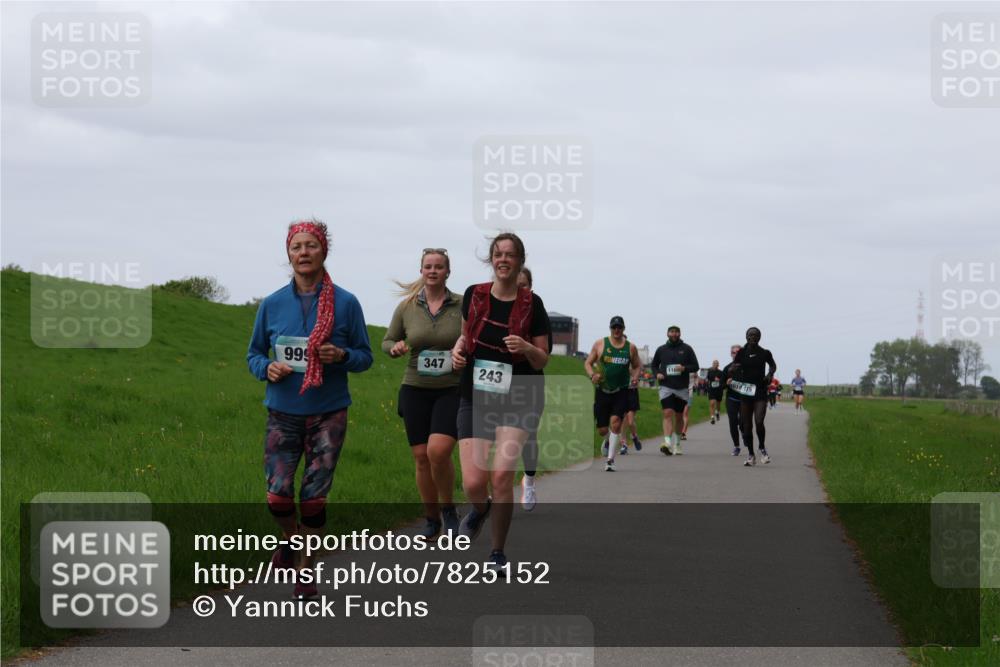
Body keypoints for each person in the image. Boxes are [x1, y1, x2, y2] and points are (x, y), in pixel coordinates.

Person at [247, 219, 373, 599]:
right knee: (278, 495)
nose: (303, 252)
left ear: (324, 251)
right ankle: (293, 539)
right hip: (282, 410)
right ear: (288, 253)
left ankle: (306, 569)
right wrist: (265, 368)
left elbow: (365, 357)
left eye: (310, 246)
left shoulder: (347, 303)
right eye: (296, 246)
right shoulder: (271, 304)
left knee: (314, 497)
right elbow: (254, 354)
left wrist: (342, 354)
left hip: (328, 412)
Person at [451, 233, 551, 569]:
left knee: (501, 476)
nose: (503, 260)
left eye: (509, 254)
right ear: (491, 259)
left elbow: (542, 359)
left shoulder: (531, 305)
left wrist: (526, 348)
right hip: (476, 395)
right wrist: (457, 352)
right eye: (497, 254)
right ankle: (480, 509)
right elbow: (465, 337)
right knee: (474, 483)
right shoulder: (474, 295)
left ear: (520, 260)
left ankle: (497, 552)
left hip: (519, 395)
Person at [382, 248, 463, 538]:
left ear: (447, 272)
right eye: (428, 266)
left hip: (451, 389)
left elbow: (474, 337)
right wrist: (394, 348)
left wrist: (463, 351)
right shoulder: (407, 307)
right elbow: (389, 339)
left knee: (438, 452)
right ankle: (431, 520)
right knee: (420, 457)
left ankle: (449, 509)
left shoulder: (462, 305)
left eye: (438, 267)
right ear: (421, 271)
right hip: (415, 387)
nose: (432, 271)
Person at [585, 317, 642, 471]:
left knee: (616, 422)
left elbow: (637, 366)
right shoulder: (600, 344)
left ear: (624, 329)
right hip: (603, 391)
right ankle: (608, 439)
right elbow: (588, 363)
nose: (617, 330)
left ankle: (610, 460)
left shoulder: (630, 348)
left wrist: (635, 378)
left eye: (619, 327)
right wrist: (592, 375)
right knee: (602, 429)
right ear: (610, 328)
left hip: (621, 391)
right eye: (614, 327)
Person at [516, 267, 551, 511]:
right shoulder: (491, 306)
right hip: (497, 382)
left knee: (528, 435)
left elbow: (543, 352)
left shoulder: (536, 308)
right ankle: (499, 490)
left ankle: (528, 480)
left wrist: (526, 347)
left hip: (529, 379)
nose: (519, 290)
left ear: (531, 287)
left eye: (524, 286)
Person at [726, 327, 777, 466]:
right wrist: (732, 369)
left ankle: (762, 448)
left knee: (759, 421)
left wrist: (769, 375)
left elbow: (773, 366)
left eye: (755, 335)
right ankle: (751, 454)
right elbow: (734, 365)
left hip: (760, 390)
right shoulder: (741, 352)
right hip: (746, 392)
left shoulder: (764, 353)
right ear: (746, 337)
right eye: (750, 335)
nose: (752, 337)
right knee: (746, 426)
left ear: (759, 337)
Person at [651, 326, 700, 455]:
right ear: (667, 333)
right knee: (667, 413)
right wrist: (657, 374)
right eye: (671, 332)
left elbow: (696, 366)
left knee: (679, 416)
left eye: (676, 332)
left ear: (680, 334)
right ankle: (667, 442)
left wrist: (684, 368)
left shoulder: (687, 349)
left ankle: (677, 443)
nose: (674, 334)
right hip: (666, 386)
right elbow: (654, 365)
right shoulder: (661, 349)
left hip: (682, 388)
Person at [722, 345, 743, 455]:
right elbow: (721, 385)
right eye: (733, 352)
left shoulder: (748, 367)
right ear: (731, 354)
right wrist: (726, 383)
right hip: (732, 399)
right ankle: (736, 446)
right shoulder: (727, 368)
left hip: (745, 400)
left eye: (738, 352)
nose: (736, 354)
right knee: (733, 422)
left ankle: (746, 437)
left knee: (743, 423)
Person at [706, 360, 725, 424]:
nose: (715, 364)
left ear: (718, 365)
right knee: (712, 403)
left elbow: (723, 380)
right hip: (711, 389)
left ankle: (717, 412)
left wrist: (719, 380)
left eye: (716, 363)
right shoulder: (709, 371)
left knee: (718, 404)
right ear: (712, 364)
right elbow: (705, 377)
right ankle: (712, 418)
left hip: (719, 390)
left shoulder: (721, 372)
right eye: (714, 363)